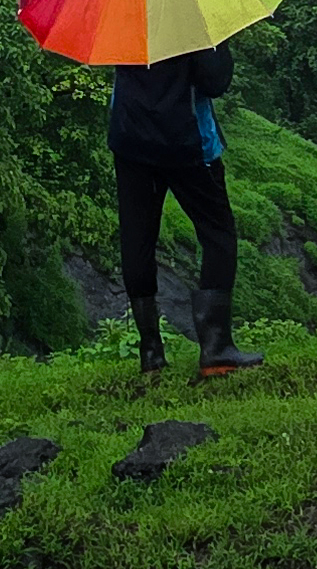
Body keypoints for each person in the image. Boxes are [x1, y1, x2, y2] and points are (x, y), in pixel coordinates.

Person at [107, 45, 261, 380]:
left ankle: (150, 354)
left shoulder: (125, 16)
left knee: (138, 238)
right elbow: (215, 81)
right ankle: (215, 350)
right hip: (185, 141)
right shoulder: (189, 18)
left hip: (130, 139)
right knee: (218, 233)